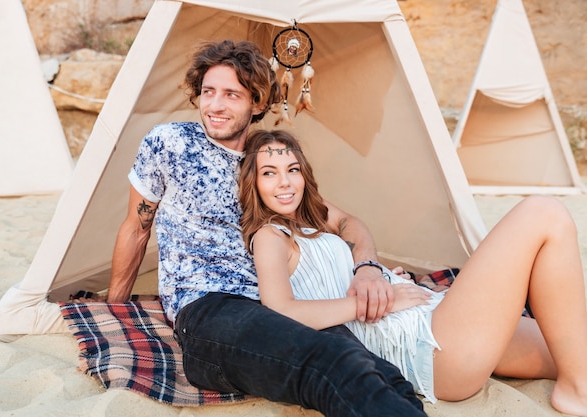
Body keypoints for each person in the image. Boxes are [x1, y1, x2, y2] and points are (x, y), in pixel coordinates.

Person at [107, 39, 427, 417]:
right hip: (208, 311)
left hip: (279, 305)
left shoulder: (266, 165)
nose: (215, 105)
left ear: (257, 103)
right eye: (208, 92)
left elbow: (344, 222)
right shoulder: (169, 143)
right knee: (334, 362)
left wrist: (368, 267)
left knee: (384, 375)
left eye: (231, 95)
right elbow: (136, 227)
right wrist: (116, 309)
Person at [239, 129, 587, 416]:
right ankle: (576, 394)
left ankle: (577, 382)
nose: (285, 183)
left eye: (293, 169)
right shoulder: (270, 237)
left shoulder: (307, 213)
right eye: (269, 173)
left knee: (575, 348)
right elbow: (280, 312)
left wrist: (368, 268)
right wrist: (375, 303)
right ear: (253, 181)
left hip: (434, 313)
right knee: (544, 213)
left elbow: (350, 223)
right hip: (427, 349)